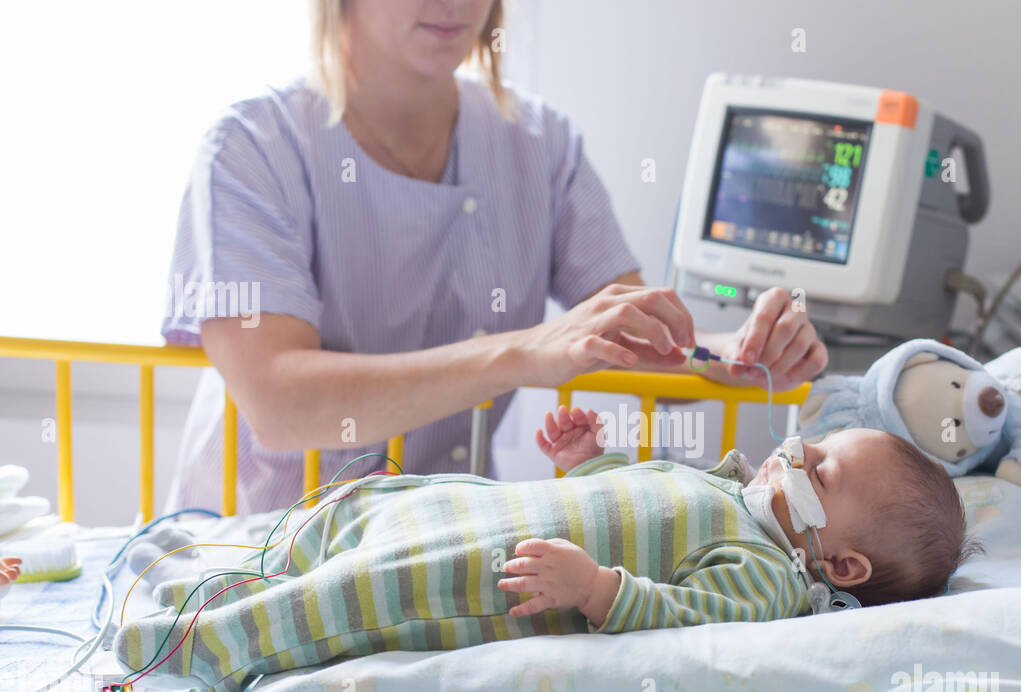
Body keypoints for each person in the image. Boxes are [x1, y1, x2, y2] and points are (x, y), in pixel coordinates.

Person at [161, 0, 827, 516]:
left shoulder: (539, 144)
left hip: (444, 544)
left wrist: (735, 348)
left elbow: (634, 332)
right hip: (262, 550)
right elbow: (278, 405)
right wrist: (522, 353)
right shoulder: (250, 148)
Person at [116, 404, 976, 692]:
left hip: (496, 572)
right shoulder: (727, 488)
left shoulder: (766, 576)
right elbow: (628, 492)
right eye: (815, 440)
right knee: (354, 517)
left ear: (844, 566)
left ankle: (199, 643)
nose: (796, 450)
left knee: (363, 594)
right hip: (476, 507)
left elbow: (686, 618)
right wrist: (585, 461)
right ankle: (207, 572)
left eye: (820, 467)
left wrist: (601, 590)